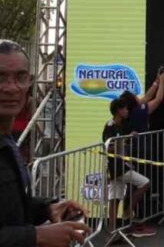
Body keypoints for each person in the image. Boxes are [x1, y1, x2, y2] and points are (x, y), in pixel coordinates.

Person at [0, 40, 91, 246]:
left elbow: (9, 206)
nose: (11, 88)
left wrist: (46, 208)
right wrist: (36, 236)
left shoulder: (9, 142)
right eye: (1, 77)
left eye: (20, 77)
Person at [102, 98, 155, 237]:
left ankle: (113, 230)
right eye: (125, 109)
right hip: (116, 168)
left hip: (120, 166)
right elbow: (109, 147)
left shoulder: (120, 125)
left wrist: (127, 160)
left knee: (115, 198)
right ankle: (127, 211)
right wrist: (126, 139)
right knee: (145, 182)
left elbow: (120, 149)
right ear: (119, 110)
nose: (127, 111)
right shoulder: (110, 126)